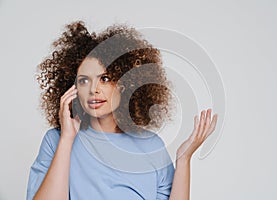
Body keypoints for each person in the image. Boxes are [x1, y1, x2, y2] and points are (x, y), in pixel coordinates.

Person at [26, 21, 218, 200]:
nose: (94, 89)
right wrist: (67, 138)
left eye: (105, 79)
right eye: (84, 80)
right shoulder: (56, 141)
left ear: (125, 84)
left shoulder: (151, 145)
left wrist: (183, 160)